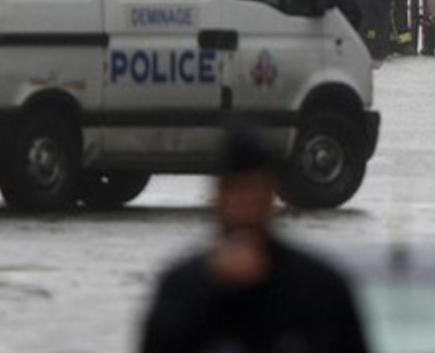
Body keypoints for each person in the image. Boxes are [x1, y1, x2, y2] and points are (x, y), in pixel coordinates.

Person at [140, 117, 370, 353]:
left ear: (272, 196)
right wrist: (213, 290)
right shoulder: (183, 292)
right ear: (217, 197)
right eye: (234, 190)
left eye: (254, 191)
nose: (244, 205)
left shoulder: (319, 290)